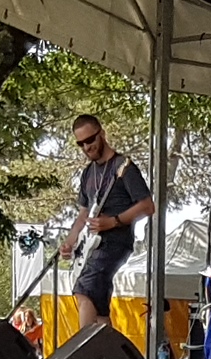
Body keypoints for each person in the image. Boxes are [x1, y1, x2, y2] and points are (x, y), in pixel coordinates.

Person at [60, 114, 155, 332]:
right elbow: (84, 212)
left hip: (115, 242)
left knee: (83, 289)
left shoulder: (124, 167)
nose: (87, 147)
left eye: (90, 140)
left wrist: (114, 221)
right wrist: (70, 241)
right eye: (81, 144)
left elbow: (148, 206)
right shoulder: (87, 173)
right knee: (100, 310)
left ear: (102, 134)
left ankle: (81, 355)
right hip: (92, 244)